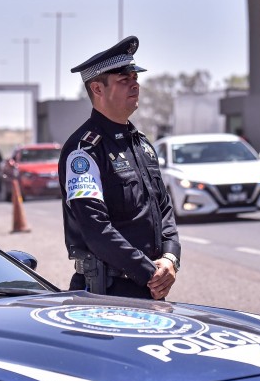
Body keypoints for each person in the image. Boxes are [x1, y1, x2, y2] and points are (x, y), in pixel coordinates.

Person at [59, 35, 180, 300]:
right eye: (124, 80)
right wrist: (150, 273)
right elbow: (96, 230)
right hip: (107, 292)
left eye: (135, 78)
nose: (135, 85)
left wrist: (170, 258)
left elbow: (164, 208)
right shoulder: (84, 151)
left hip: (148, 287)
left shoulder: (141, 144)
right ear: (98, 89)